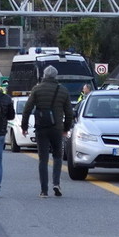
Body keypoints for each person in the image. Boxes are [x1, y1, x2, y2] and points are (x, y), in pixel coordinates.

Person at [21, 65, 74, 198]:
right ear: (55, 76)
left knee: (43, 159)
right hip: (57, 128)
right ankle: (56, 183)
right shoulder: (63, 90)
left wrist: (24, 127)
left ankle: (44, 190)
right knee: (57, 156)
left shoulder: (37, 89)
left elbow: (27, 109)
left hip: (41, 128)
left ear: (44, 75)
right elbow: (69, 113)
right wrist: (66, 129)